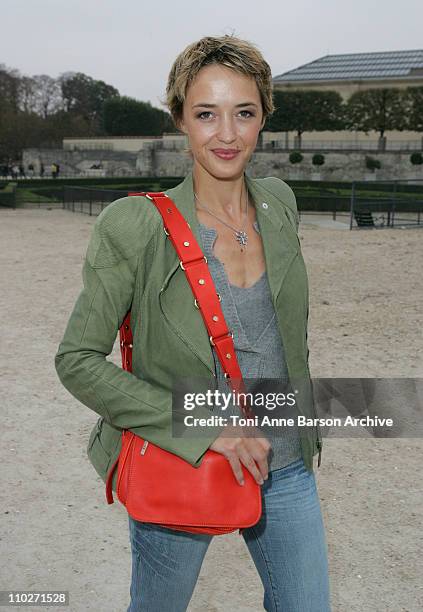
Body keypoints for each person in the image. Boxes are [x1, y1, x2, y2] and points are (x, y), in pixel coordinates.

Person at [54, 34, 330, 612]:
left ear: (263, 119)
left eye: (244, 113)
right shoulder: (135, 225)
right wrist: (210, 429)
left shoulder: (279, 202)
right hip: (183, 458)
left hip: (285, 463)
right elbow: (76, 360)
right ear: (180, 117)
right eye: (206, 114)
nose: (227, 134)